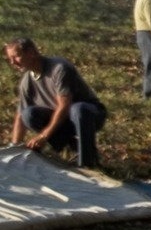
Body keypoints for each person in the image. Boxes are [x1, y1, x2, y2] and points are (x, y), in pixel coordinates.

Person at [4, 38, 107, 168]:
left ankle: (88, 163)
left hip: (88, 115)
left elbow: (64, 105)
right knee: (28, 114)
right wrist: (14, 148)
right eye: (10, 59)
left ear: (31, 52)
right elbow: (20, 115)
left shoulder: (59, 68)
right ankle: (69, 148)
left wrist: (43, 136)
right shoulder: (27, 81)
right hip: (62, 121)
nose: (13, 62)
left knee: (78, 109)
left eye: (17, 57)